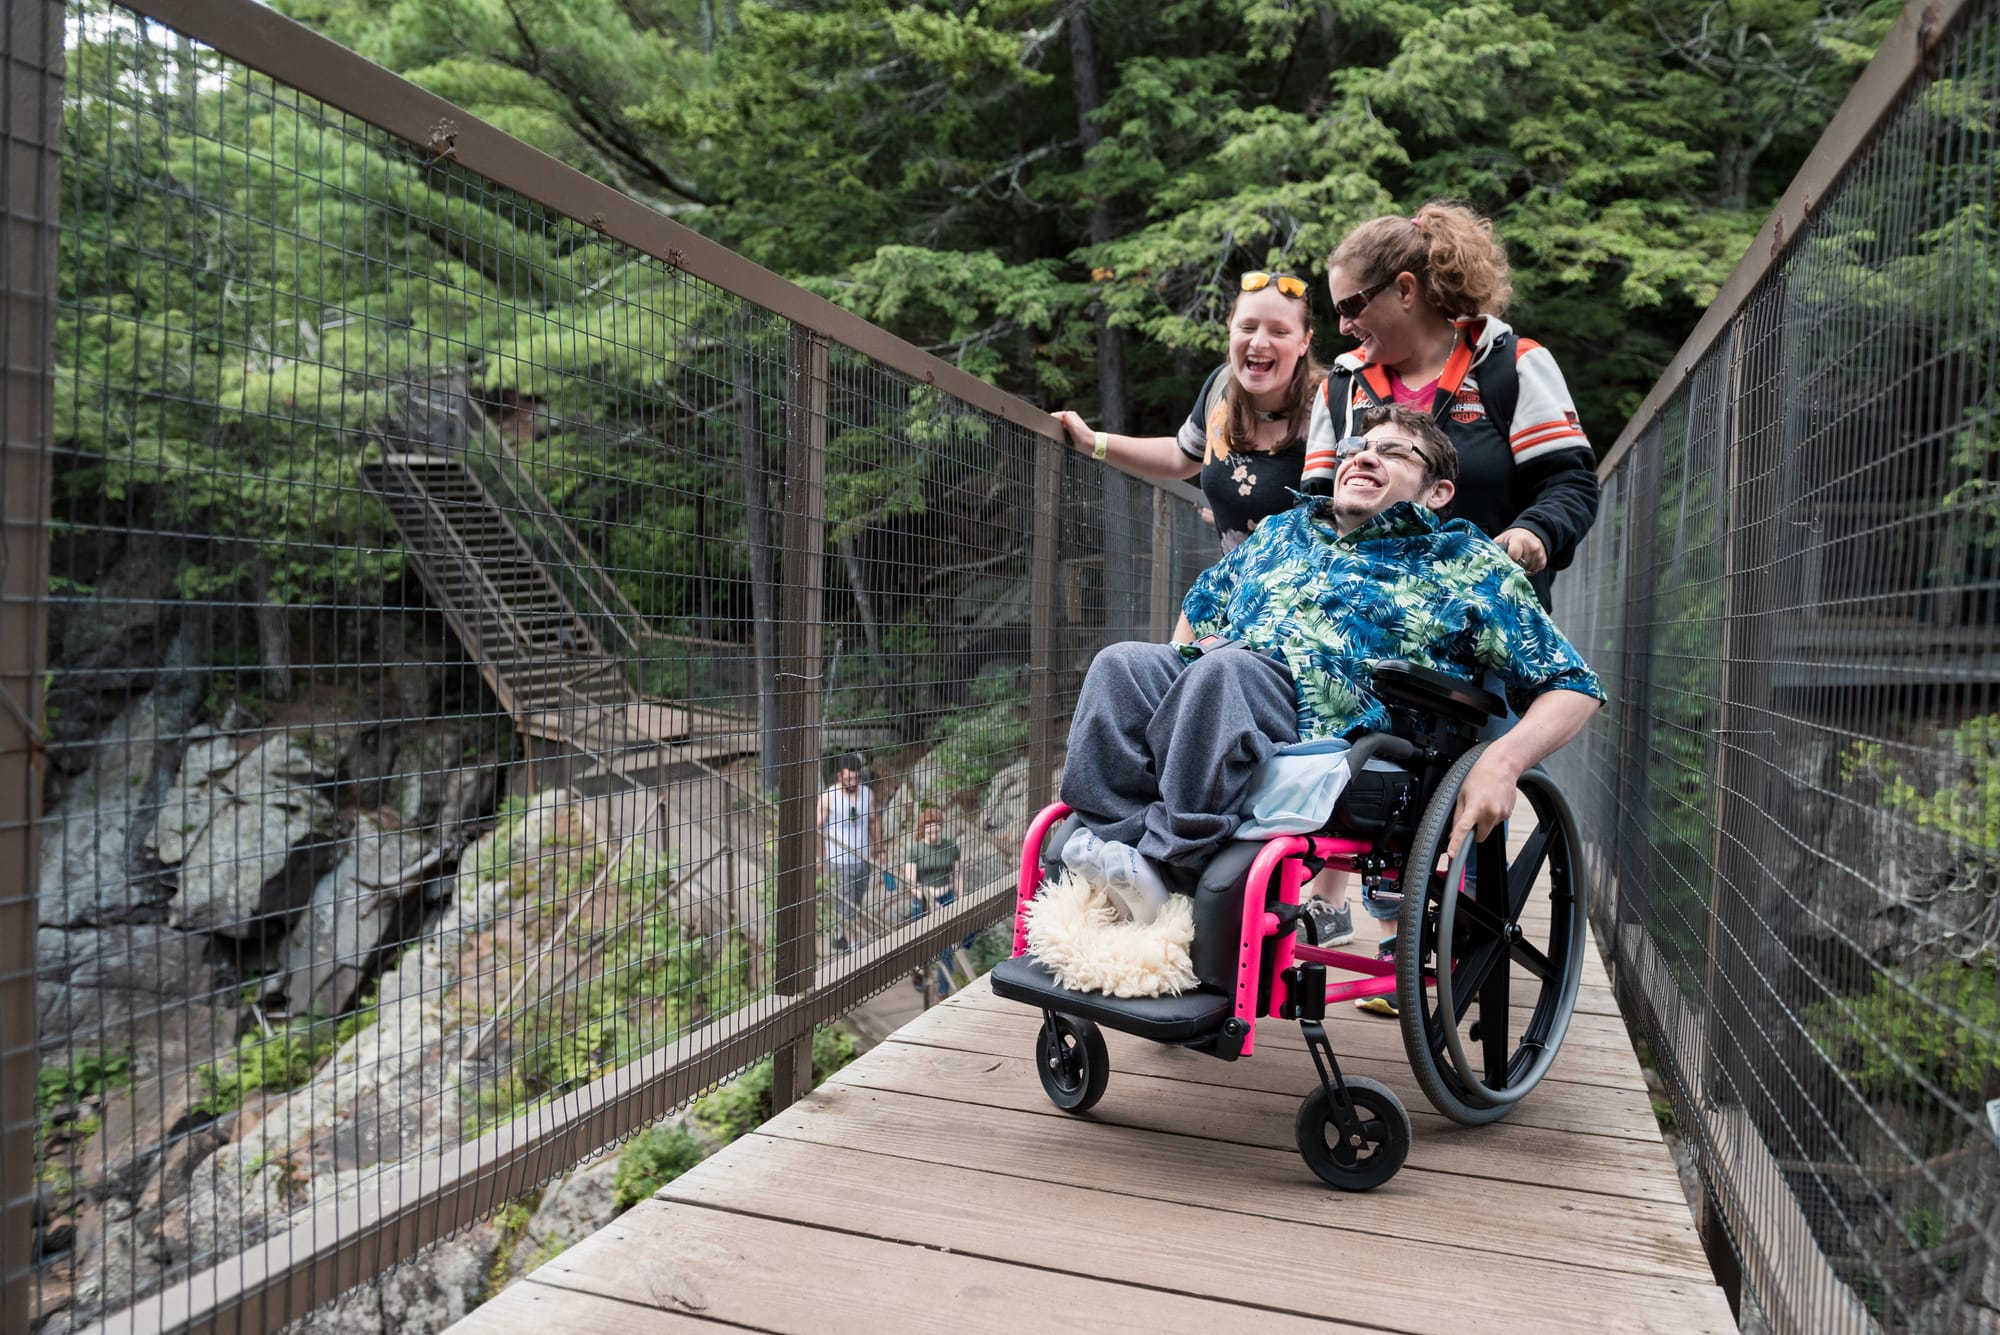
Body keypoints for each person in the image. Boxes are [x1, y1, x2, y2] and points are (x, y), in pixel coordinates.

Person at [1055, 405, 1603, 931]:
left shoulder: (1467, 563)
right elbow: (1198, 613)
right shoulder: (1280, 531)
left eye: (1391, 451)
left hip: (1342, 732)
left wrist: (1504, 762)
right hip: (1224, 682)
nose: (1362, 457)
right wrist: (1171, 682)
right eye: (1356, 448)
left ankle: (1174, 871)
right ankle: (1115, 852)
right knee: (1121, 664)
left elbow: (1574, 685)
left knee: (1224, 676)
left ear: (1438, 492)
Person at [1297, 200, 1602, 951]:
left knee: (1459, 751)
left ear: (1405, 290)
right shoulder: (1342, 384)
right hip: (1356, 620)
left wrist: (1531, 537)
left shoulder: (1510, 364)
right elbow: (1311, 504)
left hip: (1476, 623)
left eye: (1351, 306)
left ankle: (1441, 920)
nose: (1342, 326)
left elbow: (1570, 481)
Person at [1053, 271, 1324, 558]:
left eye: (1279, 331)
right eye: (1247, 327)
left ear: (1303, 342)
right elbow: (1180, 456)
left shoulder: (1334, 405)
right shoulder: (1221, 387)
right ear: (1230, 327)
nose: (1258, 342)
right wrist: (1094, 442)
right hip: (1236, 588)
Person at [816, 752, 880, 953]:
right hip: (839, 860)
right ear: (839, 776)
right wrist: (819, 858)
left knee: (857, 900)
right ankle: (853, 946)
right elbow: (817, 829)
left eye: (855, 778)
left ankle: (838, 931)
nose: (852, 782)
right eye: (848, 778)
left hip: (862, 859)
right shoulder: (828, 797)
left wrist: (880, 848)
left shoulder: (867, 794)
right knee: (848, 905)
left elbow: (873, 821)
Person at [902, 805, 967, 997]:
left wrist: (961, 898)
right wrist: (927, 900)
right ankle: (919, 974)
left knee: (947, 945)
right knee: (922, 943)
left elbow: (957, 874)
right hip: (923, 900)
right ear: (923, 830)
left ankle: (943, 992)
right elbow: (910, 880)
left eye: (937, 830)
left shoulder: (950, 847)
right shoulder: (915, 850)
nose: (934, 834)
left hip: (946, 897)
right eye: (930, 831)